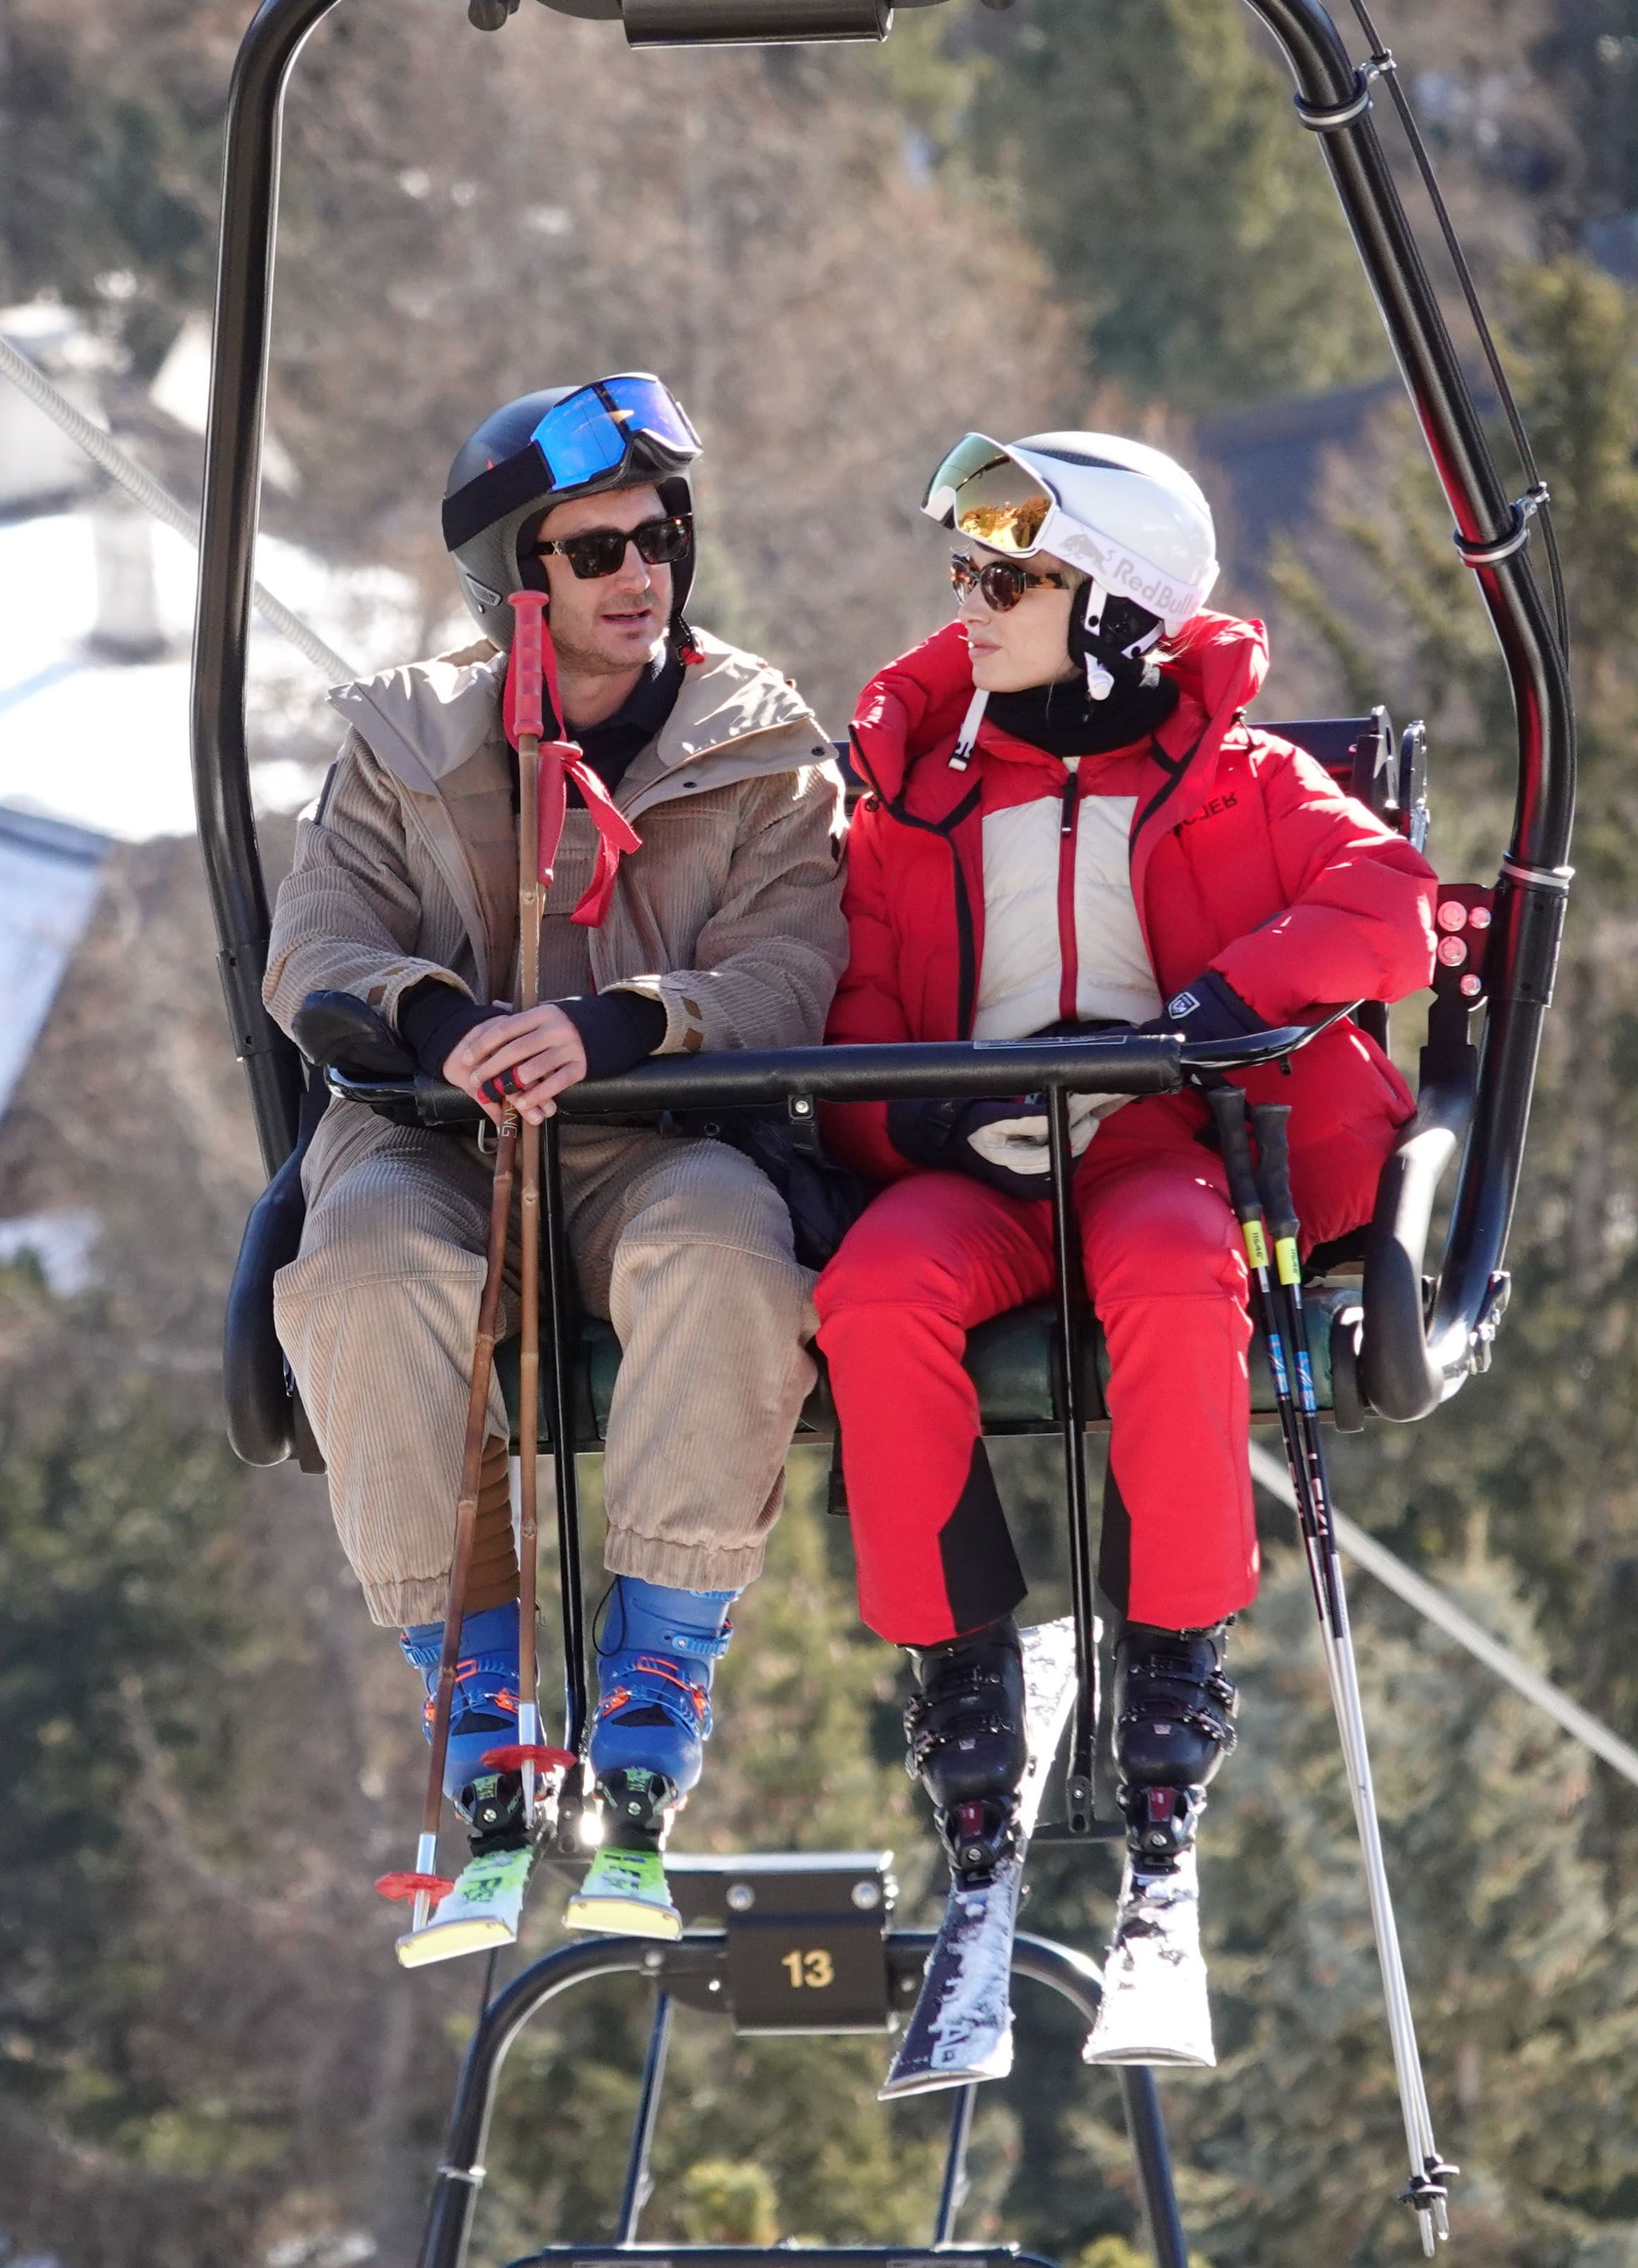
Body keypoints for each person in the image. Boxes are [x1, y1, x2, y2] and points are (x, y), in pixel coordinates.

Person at [813, 430, 1436, 2029]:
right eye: (962, 571)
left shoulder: (1235, 774)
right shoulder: (919, 791)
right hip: (989, 1160)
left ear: (1109, 605)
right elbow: (863, 1015)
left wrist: (1221, 1004)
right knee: (876, 1288)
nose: (968, 604)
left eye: (1005, 577)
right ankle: (960, 1672)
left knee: (1174, 1265)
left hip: (1163, 1141)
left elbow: (1384, 906)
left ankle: (1168, 1656)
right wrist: (928, 1114)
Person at [265, 375, 847, 1929]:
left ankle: (655, 1688)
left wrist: (629, 1024)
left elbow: (795, 962)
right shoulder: (406, 739)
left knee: (724, 1254)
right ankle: (476, 1694)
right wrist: (438, 1015)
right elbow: (314, 944)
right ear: (520, 580)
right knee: (366, 1272)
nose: (641, 574)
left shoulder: (757, 742)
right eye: (596, 551)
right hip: (436, 1137)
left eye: (660, 537)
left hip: (660, 1132)